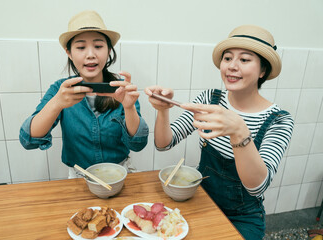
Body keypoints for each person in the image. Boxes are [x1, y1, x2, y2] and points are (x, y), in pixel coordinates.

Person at [145, 25, 294, 239]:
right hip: (200, 199)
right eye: (227, 58)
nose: (232, 66)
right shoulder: (210, 99)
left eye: (244, 60)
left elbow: (257, 187)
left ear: (263, 70)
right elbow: (164, 144)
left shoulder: (278, 120)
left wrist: (239, 131)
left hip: (243, 216)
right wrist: (162, 111)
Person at [19, 10, 149, 177]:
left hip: (120, 173)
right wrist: (56, 103)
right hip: (79, 178)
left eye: (98, 46)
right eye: (81, 47)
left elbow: (138, 144)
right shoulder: (61, 90)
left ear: (109, 50)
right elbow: (28, 140)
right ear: (69, 53)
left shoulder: (121, 88)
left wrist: (129, 107)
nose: (90, 55)